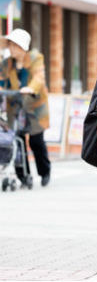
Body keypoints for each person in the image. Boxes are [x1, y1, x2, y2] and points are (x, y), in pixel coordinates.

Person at [0, 28, 51, 188]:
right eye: (9, 44)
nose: (11, 48)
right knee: (16, 139)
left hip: (35, 106)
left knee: (36, 141)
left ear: (22, 46)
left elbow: (39, 77)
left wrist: (30, 88)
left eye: (13, 45)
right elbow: (1, 80)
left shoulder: (35, 57)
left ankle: (44, 172)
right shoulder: (6, 63)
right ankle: (23, 175)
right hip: (15, 106)